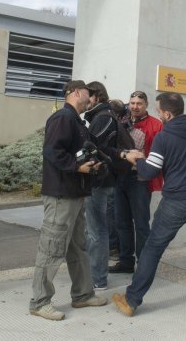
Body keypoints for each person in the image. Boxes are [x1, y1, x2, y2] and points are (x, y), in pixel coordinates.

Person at [112, 92, 186, 319]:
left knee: (153, 249)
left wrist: (135, 158)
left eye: (158, 111)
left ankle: (131, 300)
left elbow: (149, 172)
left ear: (167, 113)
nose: (158, 115)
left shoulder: (164, 137)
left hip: (176, 202)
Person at [29, 80, 108, 321]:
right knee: (52, 248)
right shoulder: (63, 118)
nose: (91, 98)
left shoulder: (77, 121)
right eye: (88, 94)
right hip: (61, 196)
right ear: (76, 93)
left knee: (78, 247)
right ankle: (39, 302)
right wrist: (77, 167)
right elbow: (52, 151)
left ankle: (83, 294)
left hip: (75, 194)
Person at [109, 90, 163, 274]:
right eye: (132, 103)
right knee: (122, 222)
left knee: (141, 223)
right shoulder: (120, 122)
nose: (134, 107)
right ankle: (126, 261)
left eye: (139, 103)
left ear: (146, 104)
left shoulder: (156, 125)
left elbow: (159, 154)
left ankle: (144, 263)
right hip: (120, 178)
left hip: (140, 180)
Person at [83, 82, 128, 291]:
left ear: (97, 96)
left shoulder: (102, 118)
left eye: (88, 96)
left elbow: (97, 149)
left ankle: (98, 279)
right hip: (104, 180)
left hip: (100, 180)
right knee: (97, 228)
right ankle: (95, 274)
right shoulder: (103, 116)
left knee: (97, 230)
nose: (85, 99)